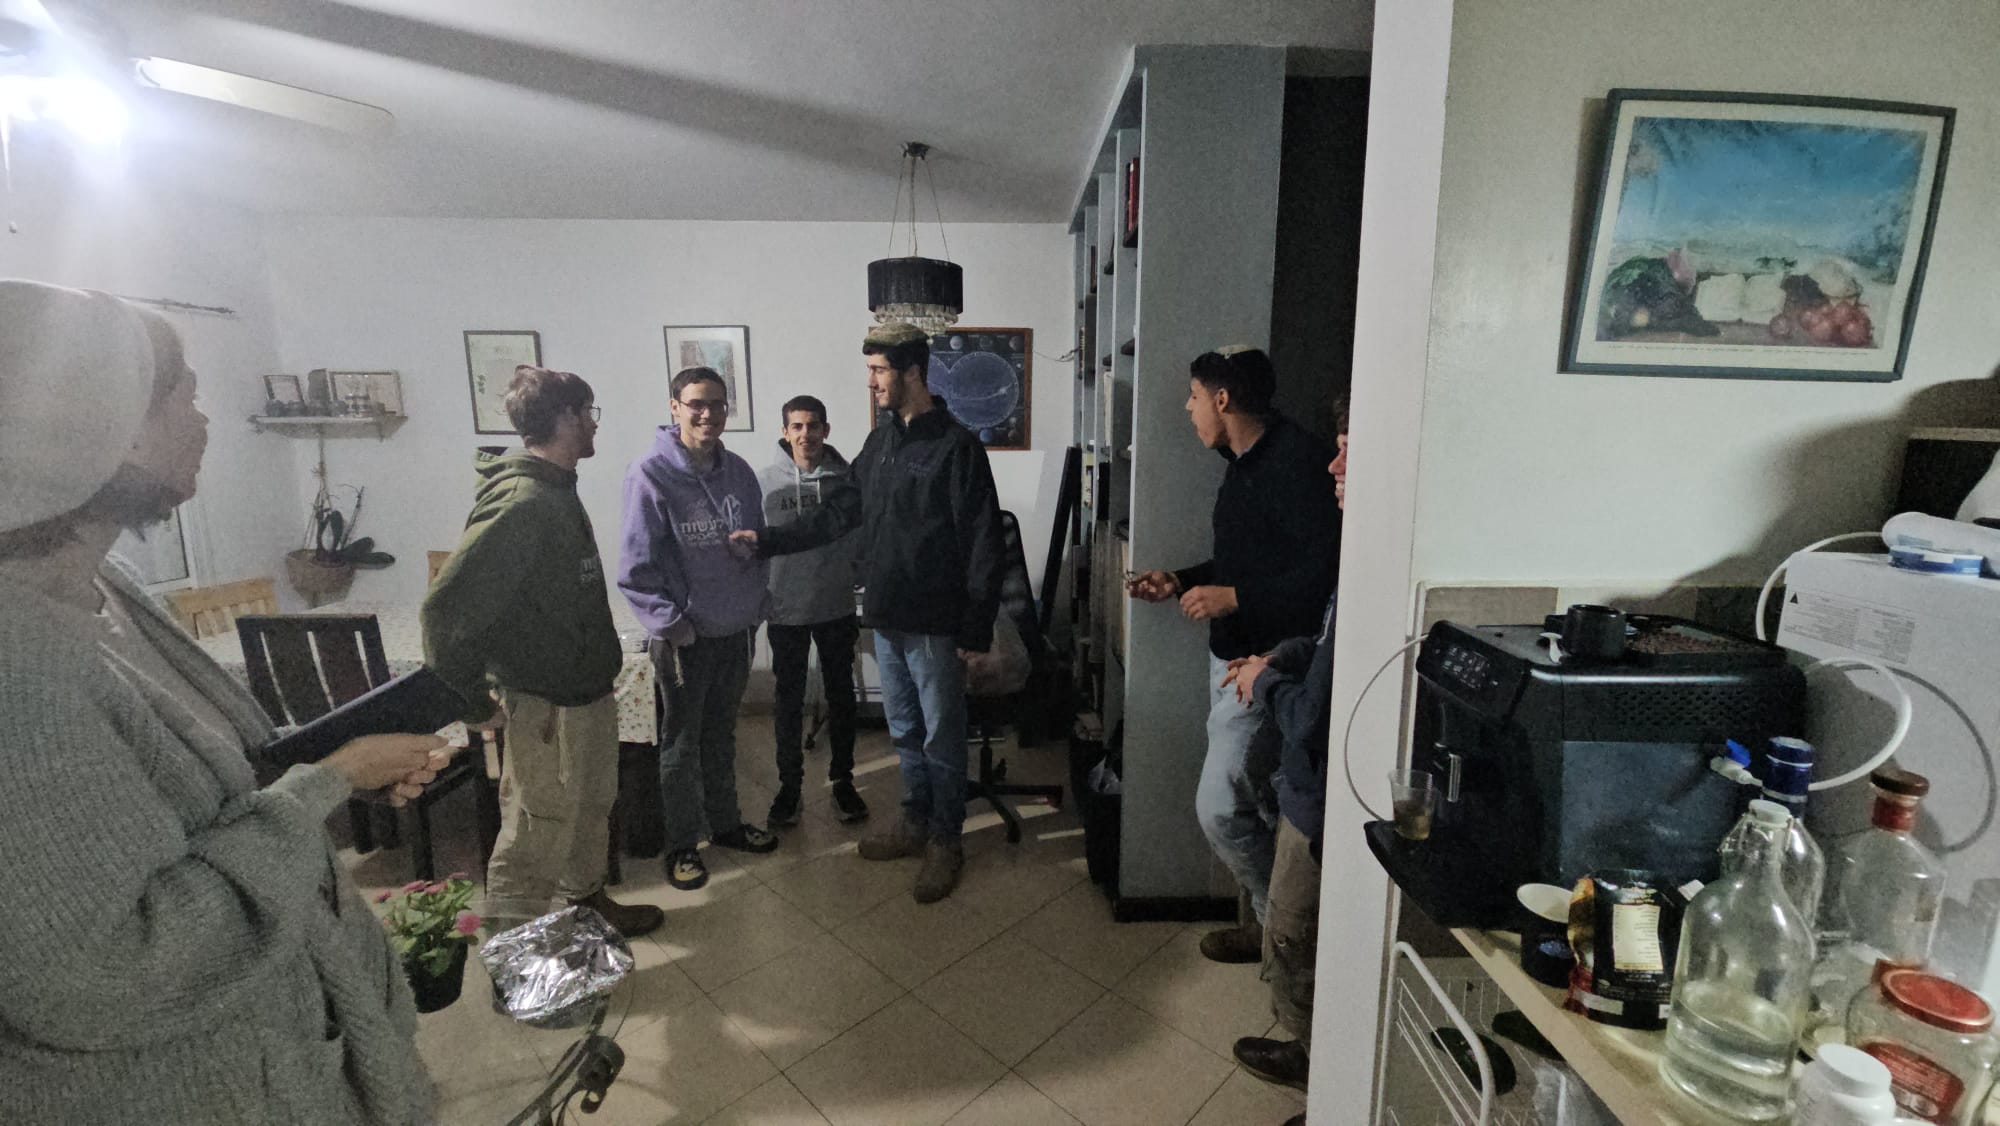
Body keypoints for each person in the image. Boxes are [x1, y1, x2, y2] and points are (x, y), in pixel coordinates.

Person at [0, 280, 442, 1124]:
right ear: (108, 425)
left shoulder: (107, 584)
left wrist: (337, 767)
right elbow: (101, 971)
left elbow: (225, 783)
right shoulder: (13, 663)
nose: (203, 422)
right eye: (185, 397)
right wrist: (330, 779)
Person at [732, 323, 1004, 904]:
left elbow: (984, 543)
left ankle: (946, 837)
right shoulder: (879, 444)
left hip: (935, 624)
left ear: (912, 373)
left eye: (879, 371)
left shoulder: (957, 447)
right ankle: (914, 819)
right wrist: (770, 540)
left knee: (941, 735)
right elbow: (837, 513)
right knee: (904, 730)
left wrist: (976, 632)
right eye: (870, 371)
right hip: (886, 617)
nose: (872, 382)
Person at [422, 365, 664, 939]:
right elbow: (444, 613)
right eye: (589, 413)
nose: (594, 424)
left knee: (590, 809)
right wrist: (472, 704)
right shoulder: (523, 501)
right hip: (546, 706)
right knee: (536, 830)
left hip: (586, 694)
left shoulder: (557, 488)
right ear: (565, 417)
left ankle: (587, 904)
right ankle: (515, 956)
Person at [1127, 347, 1340, 964]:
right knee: (1256, 804)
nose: (1188, 408)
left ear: (1222, 399)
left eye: (1194, 396)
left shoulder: (1300, 463)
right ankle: (1271, 931)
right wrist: (1182, 580)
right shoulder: (1240, 463)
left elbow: (1323, 578)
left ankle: (1290, 940)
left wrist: (1237, 597)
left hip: (1268, 666)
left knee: (1221, 808)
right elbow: (1244, 562)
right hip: (1228, 660)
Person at [1219, 398, 1348, 1102]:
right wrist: (1280, 658)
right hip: (1305, 778)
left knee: (1298, 930)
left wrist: (1264, 679)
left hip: (1321, 790)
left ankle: (1319, 1077)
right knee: (1295, 921)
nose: (1334, 464)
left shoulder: (1296, 477)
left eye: (1349, 449)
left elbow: (1310, 718)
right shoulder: (1359, 556)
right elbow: (1322, 645)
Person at [620, 366, 778, 891]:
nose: (707, 413)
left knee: (722, 734)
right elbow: (635, 569)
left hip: (735, 631)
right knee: (682, 743)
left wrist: (754, 606)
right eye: (696, 404)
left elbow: (757, 545)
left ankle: (726, 824)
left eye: (717, 404)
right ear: (675, 407)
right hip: (684, 638)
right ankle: (682, 844)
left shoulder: (740, 472)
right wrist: (673, 625)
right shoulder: (650, 474)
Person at [758, 394, 870, 827]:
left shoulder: (846, 480)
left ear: (826, 429)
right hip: (784, 608)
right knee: (788, 701)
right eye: (797, 426)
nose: (806, 434)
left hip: (835, 605)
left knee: (842, 698)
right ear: (785, 432)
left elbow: (863, 531)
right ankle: (790, 787)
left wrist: (857, 570)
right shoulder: (765, 482)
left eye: (814, 426)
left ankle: (842, 781)